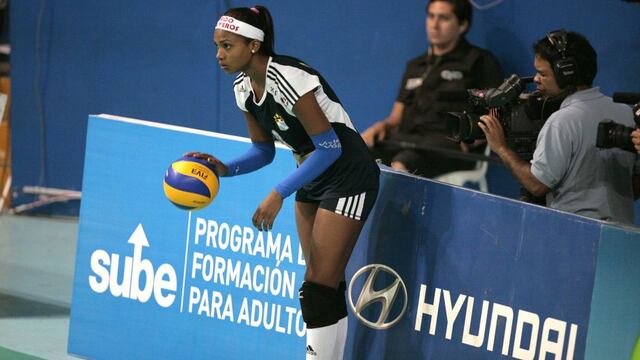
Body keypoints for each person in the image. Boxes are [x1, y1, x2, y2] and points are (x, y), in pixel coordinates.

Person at [187, 6, 380, 359]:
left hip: (348, 173)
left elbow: (330, 146)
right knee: (324, 284)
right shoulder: (243, 89)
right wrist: (223, 169)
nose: (219, 55)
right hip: (313, 175)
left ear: (254, 45)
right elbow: (263, 150)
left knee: (317, 286)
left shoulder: (287, 77)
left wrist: (278, 193)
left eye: (227, 46)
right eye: (217, 45)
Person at [479, 29, 639, 224]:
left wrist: (501, 147)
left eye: (542, 73)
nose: (536, 79)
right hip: (622, 237)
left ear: (567, 74)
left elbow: (537, 185)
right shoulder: (625, 111)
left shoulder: (562, 120)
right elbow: (634, 188)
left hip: (576, 237)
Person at [361, 0, 502, 178]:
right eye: (431, 16)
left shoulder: (479, 61)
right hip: (407, 141)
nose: (434, 25)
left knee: (403, 162)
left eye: (444, 18)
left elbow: (496, 115)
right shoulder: (415, 65)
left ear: (462, 25)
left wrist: (475, 138)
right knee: (357, 154)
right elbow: (395, 117)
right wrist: (380, 126)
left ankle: (399, 205)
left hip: (450, 147)